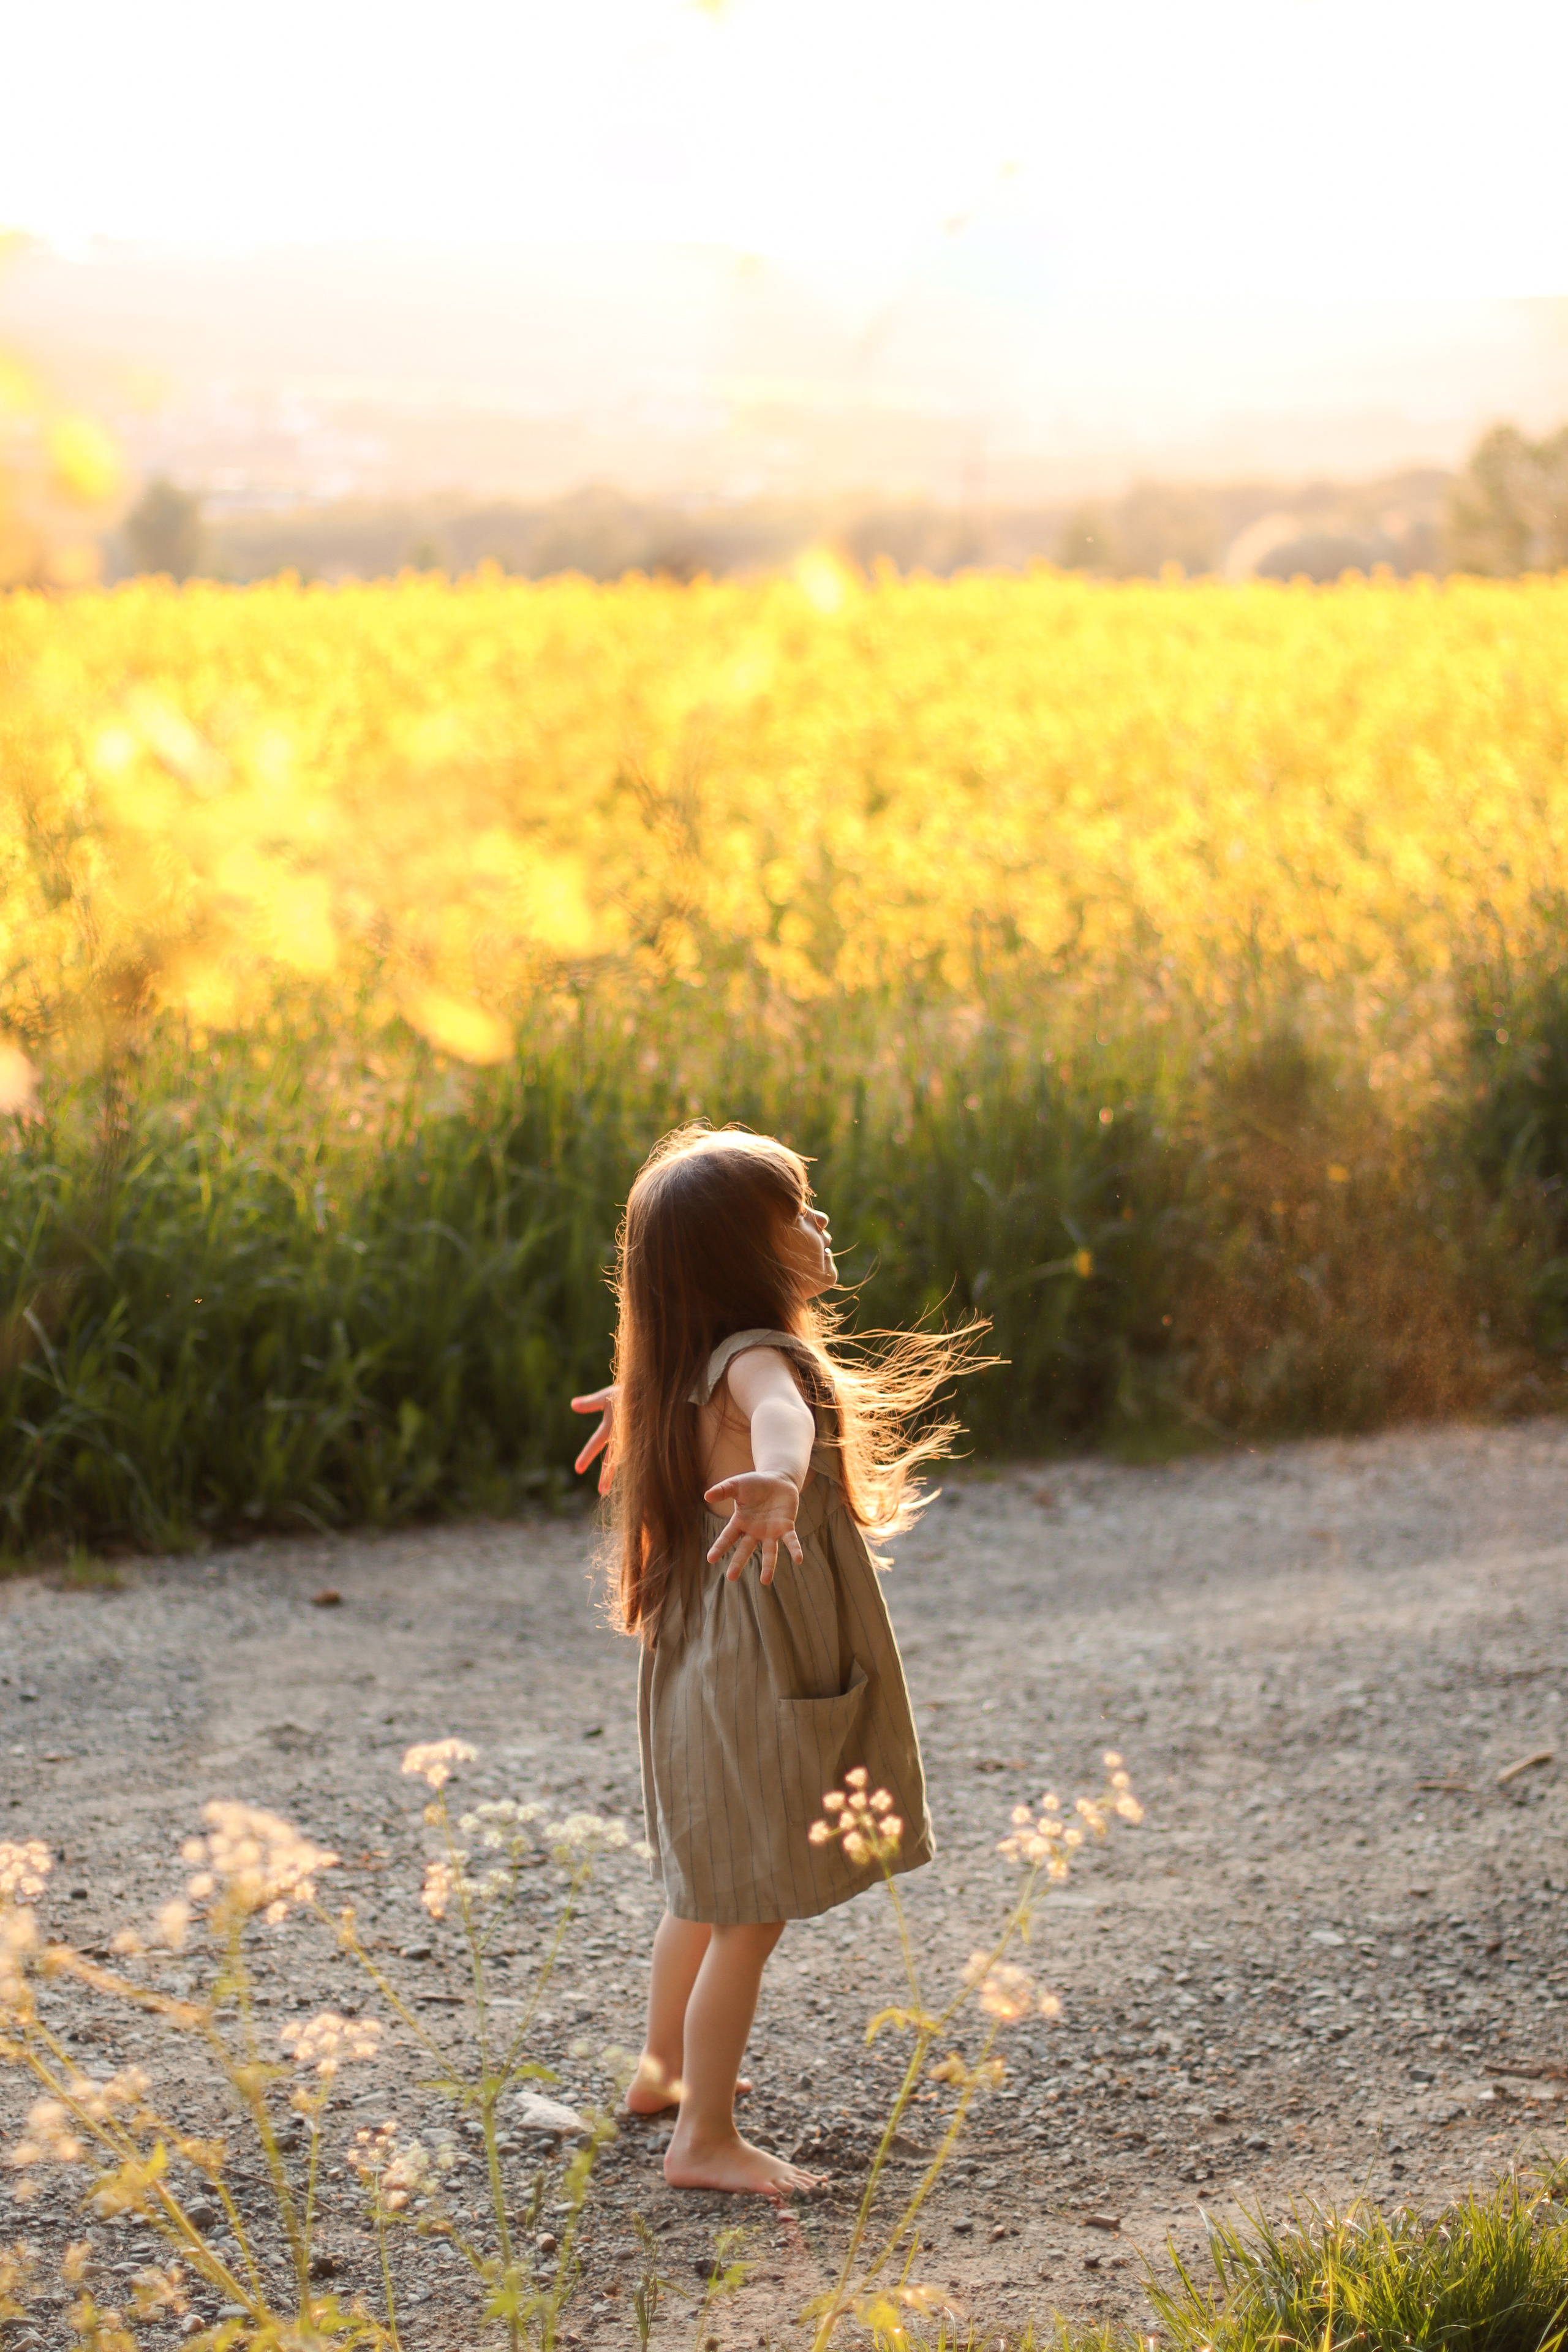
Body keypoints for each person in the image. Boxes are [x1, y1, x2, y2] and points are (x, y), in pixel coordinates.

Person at [570, 1122, 983, 2197]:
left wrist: (655, 1402)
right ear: (741, 1261)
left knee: (704, 1892)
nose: (820, 1223)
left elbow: (728, 1400)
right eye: (795, 1212)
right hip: (760, 1663)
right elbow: (780, 1414)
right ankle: (702, 2139)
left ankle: (659, 2079)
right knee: (751, 1911)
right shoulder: (761, 1360)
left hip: (706, 1661)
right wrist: (780, 1476)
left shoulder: (684, 1369)